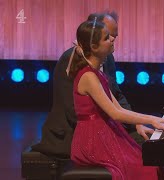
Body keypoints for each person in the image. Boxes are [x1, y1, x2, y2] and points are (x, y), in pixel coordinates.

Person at [32, 11, 151, 158]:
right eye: (107, 35)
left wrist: (137, 124)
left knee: (146, 141)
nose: (113, 39)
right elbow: (73, 109)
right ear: (92, 39)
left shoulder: (107, 57)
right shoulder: (72, 61)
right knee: (138, 152)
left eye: (114, 35)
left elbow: (116, 96)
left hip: (105, 126)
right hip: (74, 132)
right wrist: (112, 132)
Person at [69, 19, 164, 179]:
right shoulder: (88, 76)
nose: (112, 39)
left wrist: (142, 122)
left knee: (151, 161)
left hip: (105, 132)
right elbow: (114, 113)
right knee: (143, 166)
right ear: (94, 47)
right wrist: (153, 119)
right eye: (107, 37)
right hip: (92, 139)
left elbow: (119, 109)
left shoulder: (97, 73)